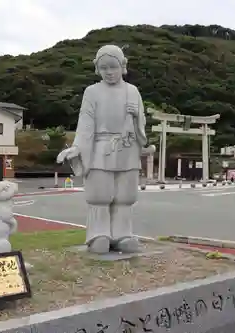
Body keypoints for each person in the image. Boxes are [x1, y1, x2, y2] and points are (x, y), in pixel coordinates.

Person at [56, 45, 147, 254]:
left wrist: (135, 118)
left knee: (125, 195)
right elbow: (86, 122)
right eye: (104, 68)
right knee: (100, 195)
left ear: (122, 66)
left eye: (113, 67)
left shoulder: (132, 91)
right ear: (98, 69)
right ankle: (98, 234)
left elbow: (141, 125)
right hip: (99, 148)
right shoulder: (92, 92)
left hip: (127, 146)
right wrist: (77, 147)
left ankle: (123, 234)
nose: (109, 72)